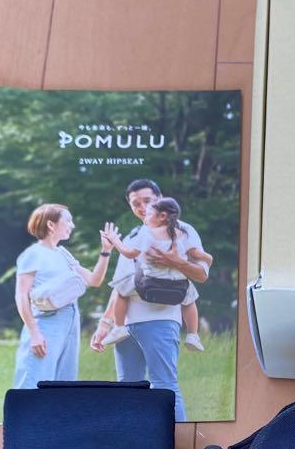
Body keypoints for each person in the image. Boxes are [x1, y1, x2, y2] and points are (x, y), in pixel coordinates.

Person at [91, 179, 209, 422]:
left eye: (147, 201)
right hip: (126, 328)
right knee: (128, 388)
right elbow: (120, 286)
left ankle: (178, 438)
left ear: (160, 199)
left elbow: (202, 275)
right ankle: (132, 439)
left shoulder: (184, 231)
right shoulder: (135, 235)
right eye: (136, 204)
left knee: (164, 386)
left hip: (160, 320)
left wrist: (177, 262)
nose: (142, 207)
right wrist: (105, 324)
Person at [12, 203, 110, 388]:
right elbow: (21, 296)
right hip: (46, 323)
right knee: (34, 381)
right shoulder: (33, 254)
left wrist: (106, 251)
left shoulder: (63, 253)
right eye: (68, 220)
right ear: (51, 224)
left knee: (63, 385)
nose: (72, 225)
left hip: (71, 322)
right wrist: (34, 333)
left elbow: (94, 280)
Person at [99, 196, 210, 352]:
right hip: (178, 283)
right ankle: (192, 334)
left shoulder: (147, 233)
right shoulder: (183, 233)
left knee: (120, 290)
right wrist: (209, 259)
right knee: (190, 300)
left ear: (162, 216)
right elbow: (197, 254)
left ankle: (119, 327)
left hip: (151, 280)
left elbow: (129, 254)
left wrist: (115, 241)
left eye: (149, 213)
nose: (145, 217)